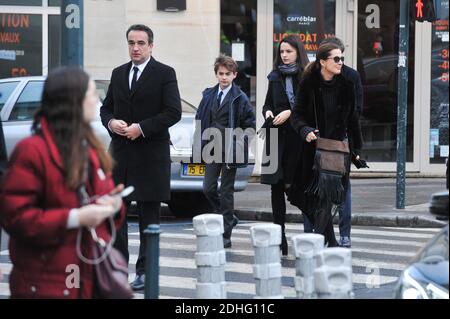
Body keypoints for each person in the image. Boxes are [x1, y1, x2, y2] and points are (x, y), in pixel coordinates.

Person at [0, 67, 125, 298]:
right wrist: (75, 218)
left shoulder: (91, 149)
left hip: (86, 275)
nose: (97, 100)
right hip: (46, 282)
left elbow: (104, 211)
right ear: (74, 101)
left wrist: (113, 205)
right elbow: (16, 218)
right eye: (91, 93)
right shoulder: (32, 151)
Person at [100, 24, 182, 291]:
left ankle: (145, 271)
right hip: (121, 156)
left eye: (141, 43)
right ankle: (119, 269)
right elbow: (106, 109)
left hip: (150, 156)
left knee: (149, 219)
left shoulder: (165, 74)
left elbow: (173, 112)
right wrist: (111, 122)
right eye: (131, 43)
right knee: (117, 216)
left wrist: (142, 128)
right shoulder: (118, 73)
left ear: (151, 46)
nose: (135, 47)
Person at [290, 42, 363, 247]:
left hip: (337, 152)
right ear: (323, 62)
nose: (340, 63)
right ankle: (329, 243)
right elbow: (297, 114)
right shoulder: (308, 83)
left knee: (328, 199)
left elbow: (353, 120)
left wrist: (356, 149)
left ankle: (322, 243)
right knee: (316, 200)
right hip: (312, 151)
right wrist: (305, 130)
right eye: (336, 59)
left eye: (342, 59)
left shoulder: (347, 84)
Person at [194, 54, 255, 249]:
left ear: (235, 75)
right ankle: (228, 217)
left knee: (227, 191)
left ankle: (226, 234)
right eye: (221, 74)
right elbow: (200, 119)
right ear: (216, 74)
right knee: (208, 188)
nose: (224, 77)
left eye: (228, 74)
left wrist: (239, 142)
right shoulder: (208, 95)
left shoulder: (240, 97)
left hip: (231, 149)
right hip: (211, 147)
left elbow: (250, 125)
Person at [260, 35, 309, 256]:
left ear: (298, 52)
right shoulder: (274, 76)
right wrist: (268, 112)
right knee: (276, 188)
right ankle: (280, 237)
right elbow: (267, 104)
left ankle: (321, 233)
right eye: (281, 52)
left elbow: (308, 106)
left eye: (288, 51)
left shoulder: (307, 76)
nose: (284, 55)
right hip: (275, 136)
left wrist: (290, 112)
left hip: (296, 138)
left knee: (296, 188)